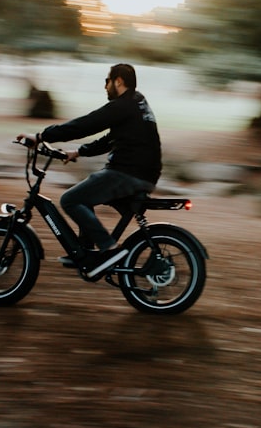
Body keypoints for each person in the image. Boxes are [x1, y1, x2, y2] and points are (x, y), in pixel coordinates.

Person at [19, 63, 162, 276]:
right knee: (87, 193)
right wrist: (78, 152)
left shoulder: (122, 106)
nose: (105, 86)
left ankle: (108, 249)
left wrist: (41, 137)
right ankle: (85, 251)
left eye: (107, 81)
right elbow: (110, 139)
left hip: (128, 172)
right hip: (142, 172)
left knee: (71, 199)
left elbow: (86, 124)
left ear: (118, 81)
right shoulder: (137, 102)